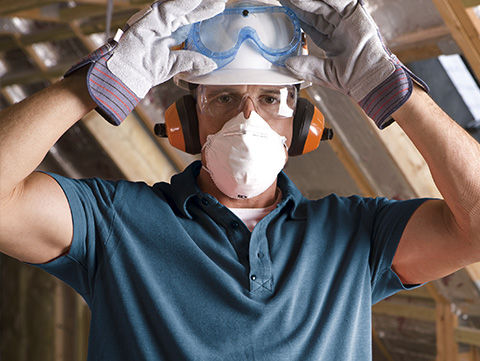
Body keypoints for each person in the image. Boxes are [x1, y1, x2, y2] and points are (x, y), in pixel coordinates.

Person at [0, 0, 479, 359]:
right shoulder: (114, 223)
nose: (247, 121)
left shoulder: (355, 236)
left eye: (271, 99)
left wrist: (388, 86)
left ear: (304, 123)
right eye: (224, 98)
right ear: (186, 121)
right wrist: (101, 80)